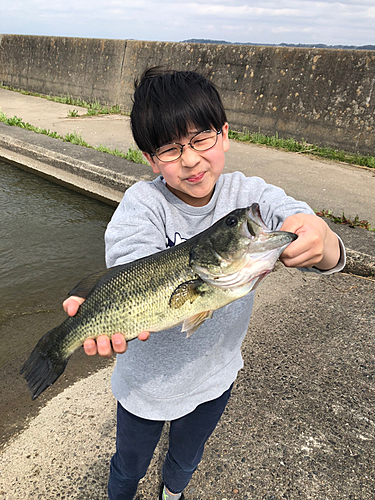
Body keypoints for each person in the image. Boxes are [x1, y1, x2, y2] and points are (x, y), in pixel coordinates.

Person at [63, 67, 345, 500]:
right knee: (128, 465)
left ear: (225, 135)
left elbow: (300, 224)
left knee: (186, 458)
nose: (191, 159)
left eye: (201, 139)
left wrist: (320, 238)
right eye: (171, 150)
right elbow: (131, 264)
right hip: (145, 388)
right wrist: (107, 306)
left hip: (216, 377)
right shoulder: (144, 204)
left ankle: (171, 493)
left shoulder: (247, 196)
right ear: (151, 159)